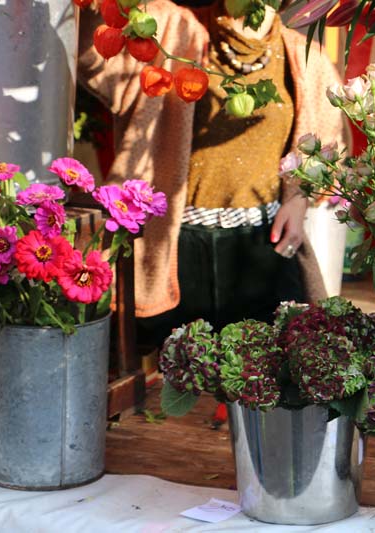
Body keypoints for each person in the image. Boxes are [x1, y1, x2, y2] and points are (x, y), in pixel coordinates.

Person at [77, 0, 346, 342]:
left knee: (267, 381)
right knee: (176, 386)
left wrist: (298, 197)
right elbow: (91, 51)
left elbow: (327, 144)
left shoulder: (306, 56)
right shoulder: (171, 29)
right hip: (177, 251)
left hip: (265, 249)